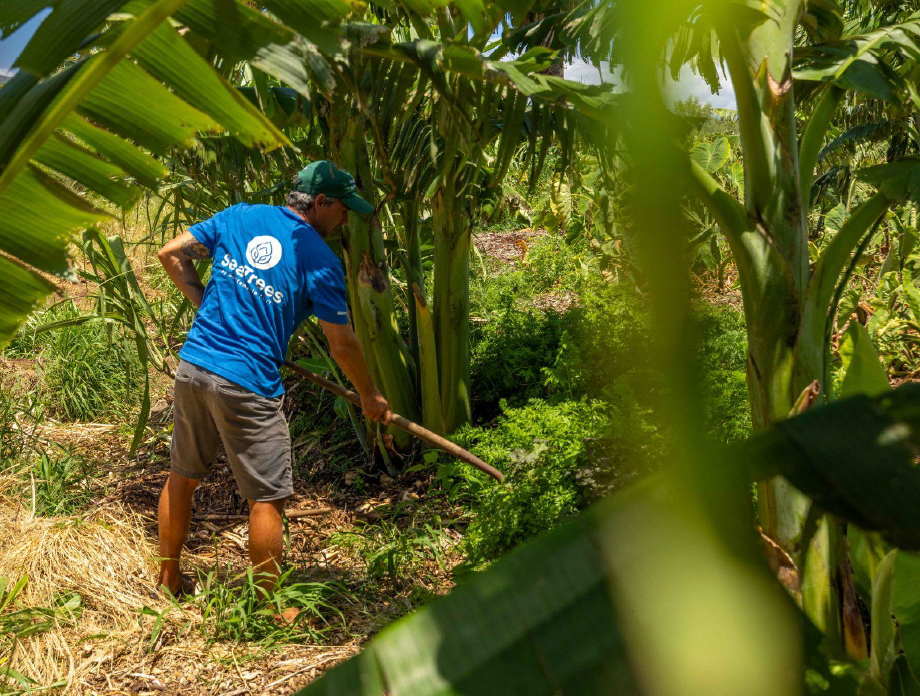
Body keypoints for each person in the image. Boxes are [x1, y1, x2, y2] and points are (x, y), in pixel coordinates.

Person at [155, 160, 391, 618]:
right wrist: (370, 394)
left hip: (194, 366)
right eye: (343, 209)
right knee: (267, 497)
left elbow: (170, 253)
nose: (346, 219)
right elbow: (341, 343)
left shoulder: (241, 215)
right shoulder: (319, 260)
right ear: (321, 202)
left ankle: (168, 578)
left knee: (181, 477)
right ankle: (270, 608)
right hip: (247, 384)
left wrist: (208, 309)